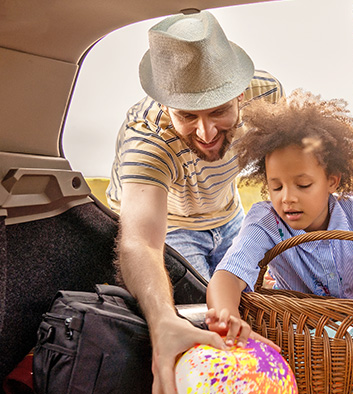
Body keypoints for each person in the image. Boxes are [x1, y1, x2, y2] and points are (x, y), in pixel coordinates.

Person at [105, 12, 282, 394]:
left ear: (240, 93)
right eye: (188, 115)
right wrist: (163, 321)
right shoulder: (147, 138)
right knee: (206, 324)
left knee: (254, 310)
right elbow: (141, 242)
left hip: (230, 215)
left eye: (218, 111)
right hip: (174, 226)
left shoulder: (267, 95)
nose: (205, 132)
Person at [207, 91, 353, 327]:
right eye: (276, 187)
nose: (287, 198)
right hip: (301, 336)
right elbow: (229, 274)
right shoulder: (267, 222)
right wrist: (226, 316)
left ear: (332, 180)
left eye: (303, 185)